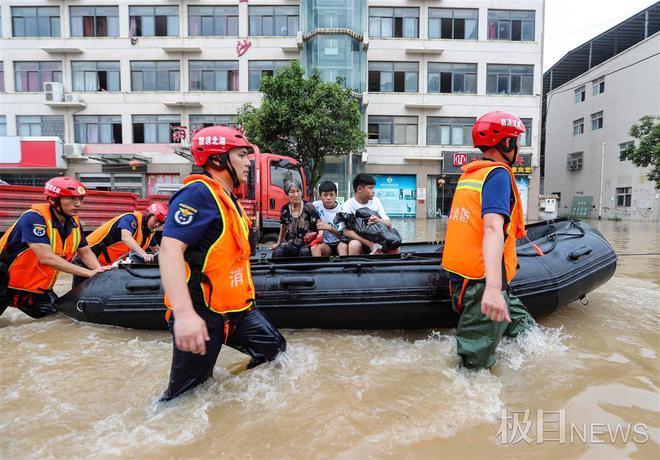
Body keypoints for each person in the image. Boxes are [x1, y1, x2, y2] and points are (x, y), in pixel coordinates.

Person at [159, 125, 286, 401]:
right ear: (218, 160)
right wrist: (184, 314)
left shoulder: (228, 198)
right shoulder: (199, 194)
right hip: (201, 313)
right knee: (186, 395)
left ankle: (238, 395)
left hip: (236, 310)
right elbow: (169, 249)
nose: (249, 162)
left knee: (275, 350)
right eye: (242, 155)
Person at [441, 111, 535, 370]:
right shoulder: (498, 175)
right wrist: (493, 289)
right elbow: (493, 228)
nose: (518, 148)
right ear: (506, 144)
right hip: (482, 282)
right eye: (516, 141)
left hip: (464, 278)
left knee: (526, 330)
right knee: (474, 367)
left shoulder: (470, 174)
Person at [0, 177, 110, 318]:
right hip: (4, 282)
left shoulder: (74, 224)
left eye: (81, 199)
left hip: (34, 288)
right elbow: (46, 258)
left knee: (59, 319)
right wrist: (88, 273)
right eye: (71, 199)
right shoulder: (33, 219)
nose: (78, 204)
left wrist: (99, 270)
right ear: (53, 200)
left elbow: (86, 253)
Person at [85, 203, 168, 265]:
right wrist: (144, 254)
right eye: (156, 220)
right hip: (88, 254)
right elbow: (126, 237)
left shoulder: (149, 232)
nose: (157, 225)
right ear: (148, 215)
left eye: (161, 223)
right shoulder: (130, 219)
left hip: (103, 263)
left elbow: (157, 250)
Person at [341, 173, 397, 255]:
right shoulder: (348, 205)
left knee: (395, 243)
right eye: (370, 188)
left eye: (373, 188)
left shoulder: (376, 201)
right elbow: (345, 231)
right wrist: (370, 244)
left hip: (378, 239)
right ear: (359, 189)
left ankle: (391, 267)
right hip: (360, 240)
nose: (373, 191)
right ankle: (357, 266)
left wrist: (379, 220)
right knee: (354, 245)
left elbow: (389, 224)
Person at [271, 180, 320, 258]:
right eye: (292, 192)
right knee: (277, 252)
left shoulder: (308, 207)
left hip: (308, 244)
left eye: (298, 191)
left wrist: (318, 239)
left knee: (304, 253)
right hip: (292, 244)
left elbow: (319, 223)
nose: (296, 195)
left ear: (301, 192)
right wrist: (279, 243)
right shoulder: (285, 209)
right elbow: (283, 227)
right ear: (287, 194)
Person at [311, 181, 348, 257]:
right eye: (325, 195)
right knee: (314, 248)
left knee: (343, 247)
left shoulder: (343, 210)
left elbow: (345, 234)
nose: (328, 198)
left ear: (336, 195)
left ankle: (344, 268)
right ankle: (319, 268)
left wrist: (329, 228)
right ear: (320, 196)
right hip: (324, 244)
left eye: (331, 195)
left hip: (339, 242)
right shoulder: (315, 205)